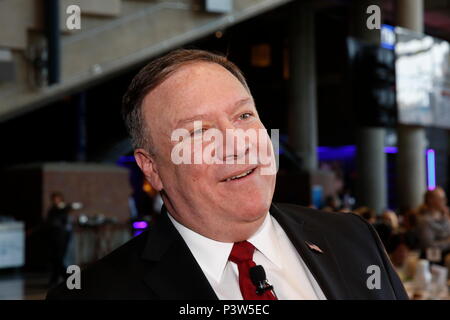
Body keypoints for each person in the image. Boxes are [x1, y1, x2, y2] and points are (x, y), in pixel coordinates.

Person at [47, 49, 407, 300]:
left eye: (244, 116)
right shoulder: (94, 294)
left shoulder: (354, 239)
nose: (236, 144)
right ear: (152, 168)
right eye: (198, 132)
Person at [45, 192, 74, 288]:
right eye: (54, 199)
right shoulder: (52, 210)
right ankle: (59, 279)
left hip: (62, 238)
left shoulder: (63, 209)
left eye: (57, 199)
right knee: (55, 259)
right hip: (53, 238)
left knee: (58, 259)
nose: (55, 201)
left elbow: (67, 210)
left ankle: (68, 278)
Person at [416, 187, 450, 263]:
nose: (445, 201)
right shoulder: (425, 221)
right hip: (434, 261)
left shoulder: (445, 218)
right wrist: (448, 242)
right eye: (442, 199)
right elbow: (428, 245)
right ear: (431, 200)